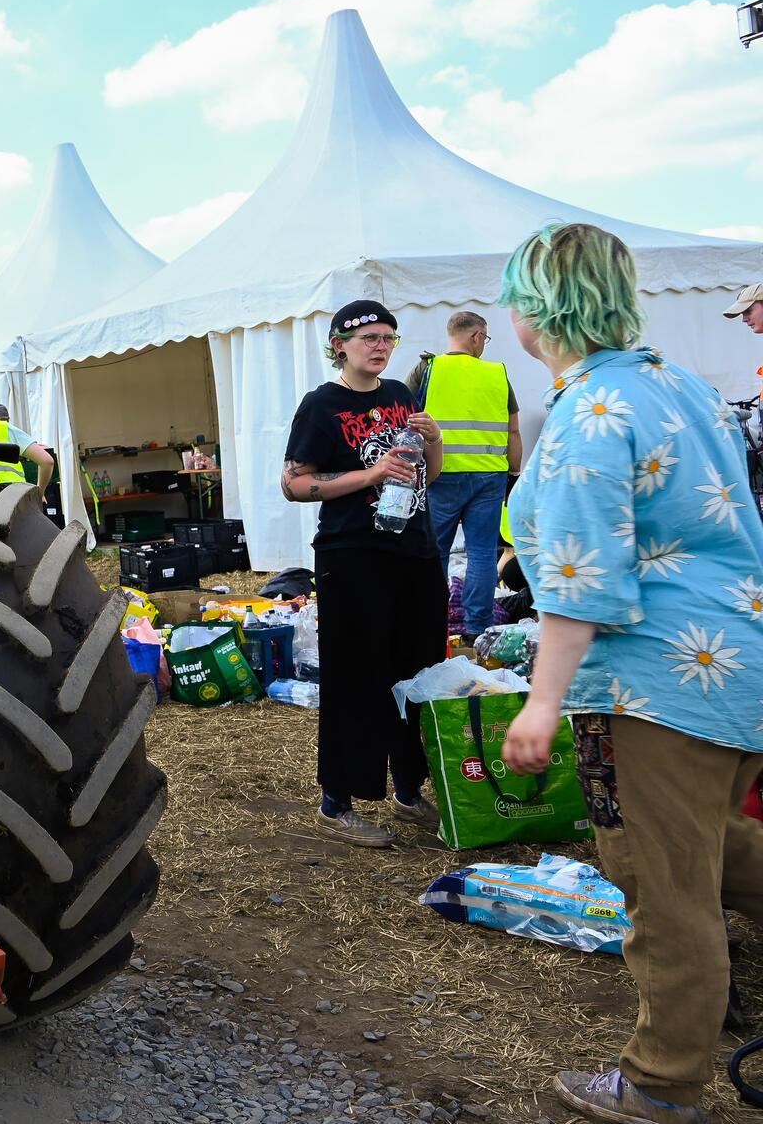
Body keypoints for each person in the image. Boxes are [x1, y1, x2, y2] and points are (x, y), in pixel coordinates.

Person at [497, 223, 763, 1124]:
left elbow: (582, 576)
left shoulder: (586, 413)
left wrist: (541, 701)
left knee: (662, 879)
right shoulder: (681, 385)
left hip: (656, 681)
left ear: (537, 311)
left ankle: (661, 1082)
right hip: (732, 665)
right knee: (708, 846)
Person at [281, 299, 446, 847]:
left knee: (416, 671)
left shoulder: (401, 396)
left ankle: (408, 788)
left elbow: (429, 474)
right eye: (370, 337)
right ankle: (338, 801)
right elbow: (295, 485)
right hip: (353, 555)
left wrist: (436, 440)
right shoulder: (321, 405)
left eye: (389, 338)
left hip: (414, 551)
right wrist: (369, 473)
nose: (380, 347)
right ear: (340, 346)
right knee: (356, 676)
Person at [406, 311, 523, 639]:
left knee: (436, 552)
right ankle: (477, 628)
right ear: (476, 336)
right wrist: (513, 474)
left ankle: (432, 625)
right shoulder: (497, 374)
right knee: (484, 552)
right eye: (484, 339)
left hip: (440, 474)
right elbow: (514, 432)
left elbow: (402, 414)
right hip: (489, 477)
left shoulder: (427, 368)